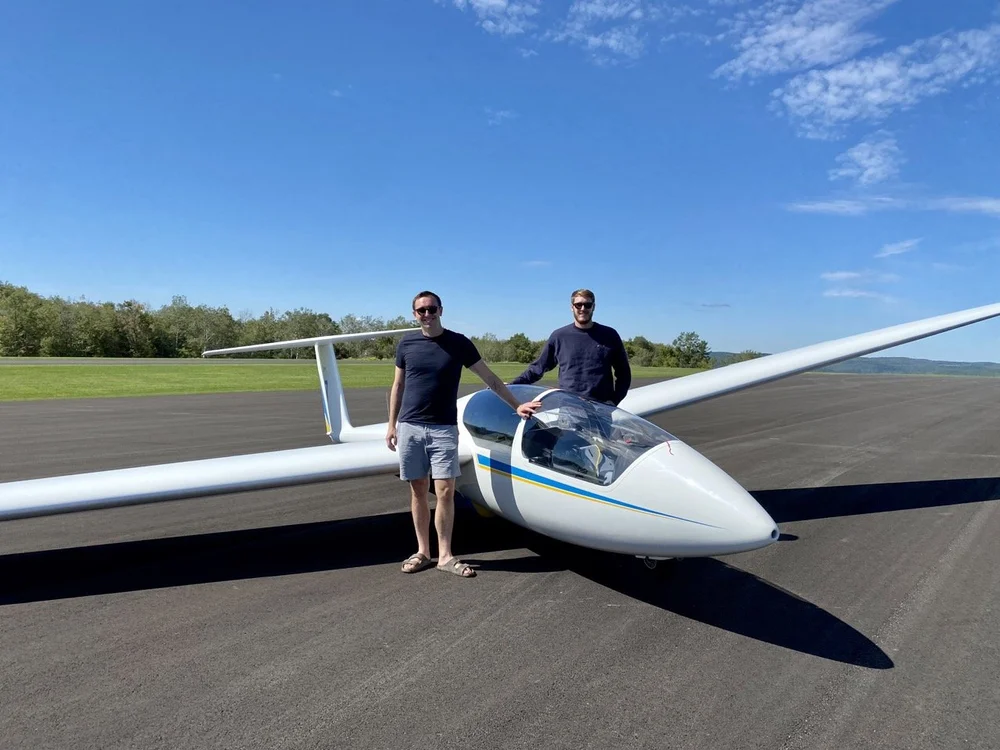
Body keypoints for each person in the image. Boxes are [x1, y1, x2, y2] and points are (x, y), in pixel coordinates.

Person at [386, 290, 541, 578]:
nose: (427, 314)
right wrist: (391, 424)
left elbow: (491, 379)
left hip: (444, 428)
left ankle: (445, 555)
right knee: (418, 489)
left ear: (441, 310)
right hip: (410, 427)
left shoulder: (458, 343)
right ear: (414, 314)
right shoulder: (406, 344)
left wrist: (517, 405)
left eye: (432, 309)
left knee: (445, 491)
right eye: (421, 310)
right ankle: (423, 551)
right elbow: (398, 386)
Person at [511, 288, 631, 406]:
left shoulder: (609, 335)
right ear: (572, 307)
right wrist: (511, 386)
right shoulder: (559, 336)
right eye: (578, 305)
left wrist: (613, 401)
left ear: (593, 307)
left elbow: (624, 374)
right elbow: (537, 369)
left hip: (601, 409)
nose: (583, 309)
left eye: (587, 305)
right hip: (568, 409)